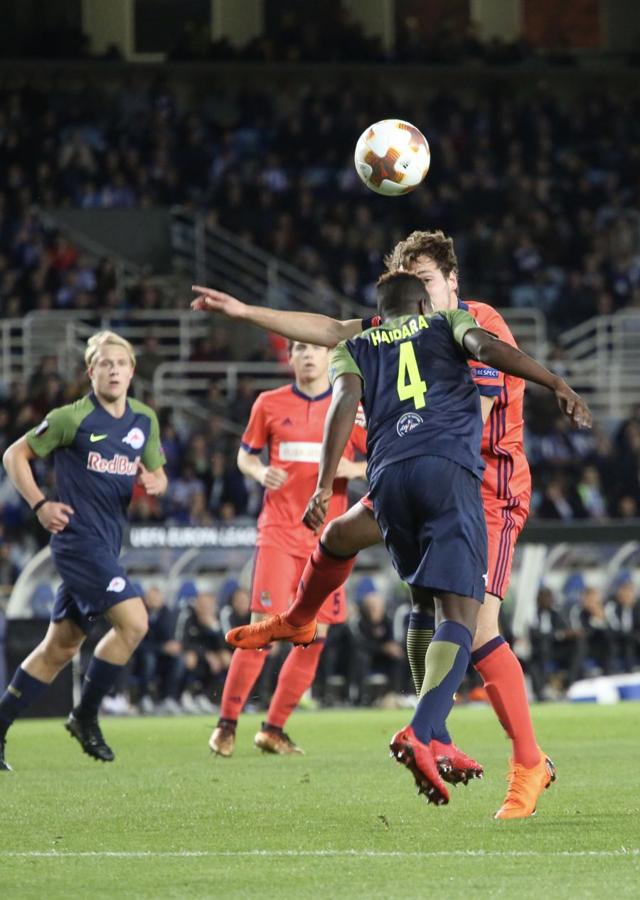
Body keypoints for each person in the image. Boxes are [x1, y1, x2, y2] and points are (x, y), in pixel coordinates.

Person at [191, 229, 589, 817]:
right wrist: (246, 311)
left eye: (427, 278)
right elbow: (329, 329)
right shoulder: (403, 325)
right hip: (418, 474)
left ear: (451, 282)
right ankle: (314, 632)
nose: (421, 291)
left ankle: (527, 762)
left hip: (483, 484)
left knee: (475, 625)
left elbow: (468, 413)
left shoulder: (477, 323)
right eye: (412, 281)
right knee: (345, 539)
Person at [0, 331, 167, 770]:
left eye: (121, 364)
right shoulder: (70, 419)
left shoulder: (144, 419)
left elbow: (158, 473)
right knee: (135, 622)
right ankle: (85, 714)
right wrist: (39, 505)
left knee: (60, 647)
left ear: (132, 371)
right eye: (104, 364)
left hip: (108, 547)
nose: (114, 371)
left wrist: (156, 481)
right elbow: (14, 456)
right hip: (77, 543)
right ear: (90, 372)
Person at [209, 340, 367, 757]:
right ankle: (226, 726)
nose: (309, 354)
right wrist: (259, 471)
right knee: (263, 634)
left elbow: (387, 456)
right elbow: (245, 455)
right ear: (291, 357)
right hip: (279, 533)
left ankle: (273, 729)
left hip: (329, 539)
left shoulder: (351, 404)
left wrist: (357, 468)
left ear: (329, 357)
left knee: (314, 638)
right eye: (300, 348)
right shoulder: (269, 403)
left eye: (317, 348)